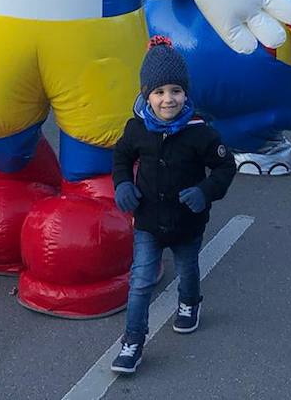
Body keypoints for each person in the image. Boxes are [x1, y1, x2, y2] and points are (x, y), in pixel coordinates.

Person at [109, 37, 236, 374]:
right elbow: (121, 156)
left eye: (176, 91)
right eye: (160, 92)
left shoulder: (200, 131)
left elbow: (225, 166)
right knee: (141, 281)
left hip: (187, 220)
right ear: (146, 95)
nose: (168, 99)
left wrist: (205, 191)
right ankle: (133, 341)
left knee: (187, 268)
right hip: (148, 220)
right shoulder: (136, 128)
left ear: (186, 93)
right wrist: (122, 183)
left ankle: (189, 303)